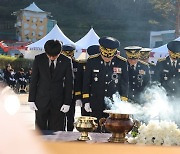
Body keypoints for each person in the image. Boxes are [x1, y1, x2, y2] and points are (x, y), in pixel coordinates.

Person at [82, 36, 129, 132]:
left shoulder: (122, 62)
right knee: (95, 129)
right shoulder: (92, 61)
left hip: (113, 102)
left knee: (112, 128)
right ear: (100, 51)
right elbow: (86, 82)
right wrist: (86, 100)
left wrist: (123, 99)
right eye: (105, 56)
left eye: (110, 56)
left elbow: (124, 83)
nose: (107, 58)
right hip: (96, 100)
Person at [28, 40, 73, 132]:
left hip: (58, 101)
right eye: (49, 55)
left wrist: (67, 102)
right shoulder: (38, 59)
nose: (52, 58)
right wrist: (31, 99)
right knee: (40, 131)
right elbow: (34, 80)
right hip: (41, 99)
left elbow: (69, 83)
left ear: (60, 52)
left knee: (57, 131)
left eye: (55, 56)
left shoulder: (66, 61)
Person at [61, 44, 83, 131]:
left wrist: (78, 96)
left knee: (70, 117)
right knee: (60, 117)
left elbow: (78, 81)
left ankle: (69, 132)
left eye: (70, 53)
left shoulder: (77, 64)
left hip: (72, 95)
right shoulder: (59, 63)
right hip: (60, 94)